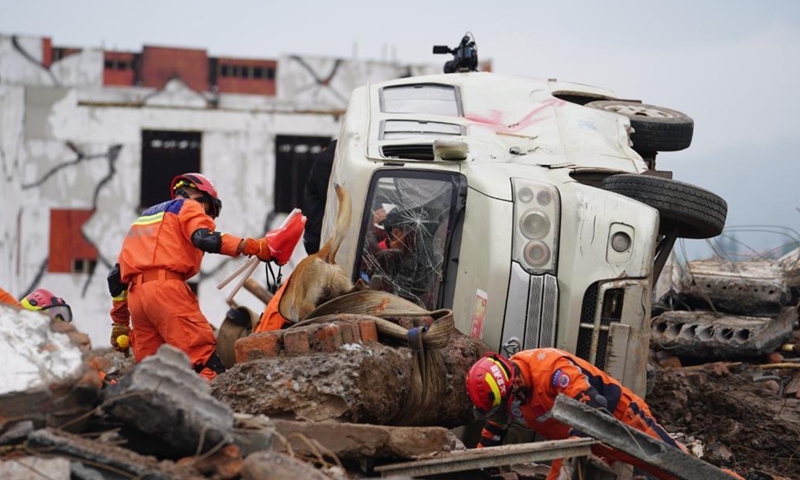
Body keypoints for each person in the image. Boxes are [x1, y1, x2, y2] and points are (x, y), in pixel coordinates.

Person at [107, 173, 302, 380]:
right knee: (204, 363)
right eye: (209, 210)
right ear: (203, 197)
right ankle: (208, 409)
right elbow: (203, 238)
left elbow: (115, 277)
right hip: (166, 291)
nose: (207, 216)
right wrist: (255, 246)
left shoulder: (144, 219)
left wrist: (120, 323)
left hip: (137, 301)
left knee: (151, 372)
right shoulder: (189, 206)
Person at [466, 348, 691, 480]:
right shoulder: (511, 390)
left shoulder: (552, 370)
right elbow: (495, 427)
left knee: (680, 469)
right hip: (585, 440)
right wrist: (481, 463)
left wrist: (573, 449)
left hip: (621, 421)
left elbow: (588, 407)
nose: (508, 407)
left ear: (513, 383)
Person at [301, 139, 336, 254]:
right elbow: (332, 200)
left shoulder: (327, 159)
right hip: (319, 236)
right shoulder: (327, 161)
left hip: (318, 234)